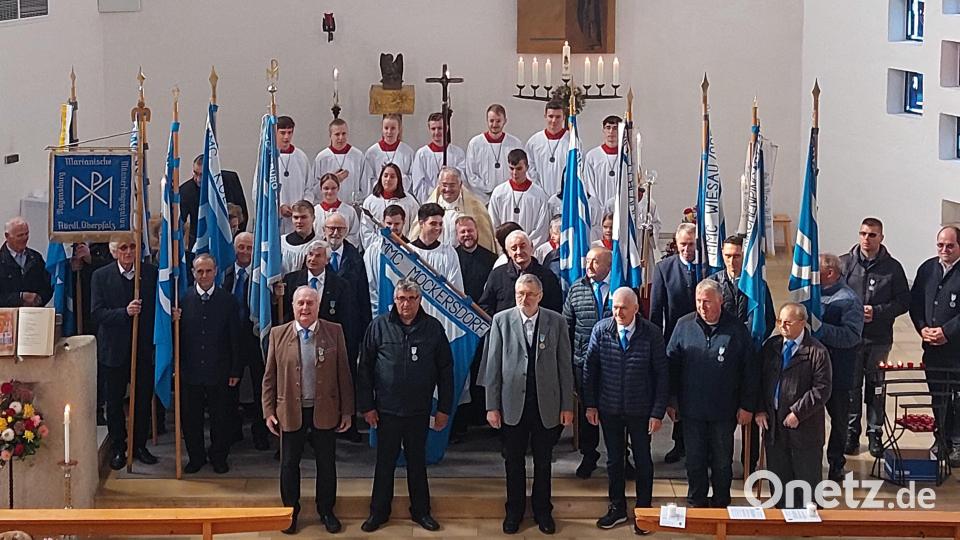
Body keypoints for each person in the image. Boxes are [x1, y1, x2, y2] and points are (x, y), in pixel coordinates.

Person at [357, 279, 453, 532]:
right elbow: (364, 368)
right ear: (394, 300)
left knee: (417, 463)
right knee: (385, 462)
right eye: (401, 298)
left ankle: (421, 512)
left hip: (419, 410)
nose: (406, 304)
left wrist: (444, 408)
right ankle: (378, 513)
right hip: (386, 410)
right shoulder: (379, 326)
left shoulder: (432, 328)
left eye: (411, 299)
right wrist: (367, 406)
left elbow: (445, 370)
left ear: (419, 300)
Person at [484, 274, 574, 535]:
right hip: (512, 404)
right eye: (520, 294)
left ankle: (543, 511)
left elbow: (564, 366)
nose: (525, 299)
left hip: (546, 404)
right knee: (513, 461)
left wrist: (567, 405)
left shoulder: (556, 321)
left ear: (540, 296)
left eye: (530, 294)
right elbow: (493, 366)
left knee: (544, 462)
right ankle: (514, 511)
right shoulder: (501, 321)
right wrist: (492, 405)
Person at [262, 285, 354, 535]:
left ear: (318, 305)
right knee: (289, 464)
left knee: (326, 463)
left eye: (310, 303)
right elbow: (269, 376)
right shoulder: (278, 334)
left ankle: (326, 510)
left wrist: (347, 411)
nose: (305, 308)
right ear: (292, 306)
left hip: (325, 409)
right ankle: (290, 512)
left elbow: (344, 373)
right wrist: (268, 410)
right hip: (290, 410)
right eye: (300, 303)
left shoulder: (334, 331)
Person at [583, 287, 668, 535]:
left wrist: (657, 412)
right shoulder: (601, 330)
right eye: (615, 307)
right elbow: (590, 370)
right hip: (609, 409)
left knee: (643, 461)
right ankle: (617, 508)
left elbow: (662, 374)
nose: (618, 312)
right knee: (614, 461)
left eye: (623, 308)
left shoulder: (651, 333)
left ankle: (644, 511)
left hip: (641, 411)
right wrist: (590, 404)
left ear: (635, 309)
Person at [667, 280, 757, 508]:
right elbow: (671, 367)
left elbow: (749, 371)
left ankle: (720, 504)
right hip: (691, 410)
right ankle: (696, 503)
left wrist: (747, 405)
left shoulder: (737, 329)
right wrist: (671, 401)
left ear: (720, 301)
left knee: (721, 462)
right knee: (694, 461)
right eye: (698, 301)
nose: (702, 306)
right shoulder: (683, 325)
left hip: (723, 411)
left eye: (707, 301)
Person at [840, 217, 909, 458]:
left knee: (876, 387)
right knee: (851, 387)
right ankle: (851, 432)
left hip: (878, 339)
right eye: (863, 234)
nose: (866, 239)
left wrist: (877, 312)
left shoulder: (893, 268)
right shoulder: (845, 264)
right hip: (851, 338)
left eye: (872, 235)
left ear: (881, 238)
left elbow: (903, 302)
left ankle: (875, 433)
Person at [707, 235, 774, 474]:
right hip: (719, 362)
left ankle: (750, 463)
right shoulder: (713, 284)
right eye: (728, 256)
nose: (732, 261)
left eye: (737, 256)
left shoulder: (757, 285)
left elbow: (768, 319)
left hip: (748, 359)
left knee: (750, 411)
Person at [756, 303, 832, 509]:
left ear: (802, 323)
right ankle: (781, 514)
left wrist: (798, 412)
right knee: (779, 476)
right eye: (780, 322)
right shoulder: (771, 347)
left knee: (805, 478)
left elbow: (821, 389)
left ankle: (806, 520)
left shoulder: (816, 351)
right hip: (775, 426)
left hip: (804, 429)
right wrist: (761, 408)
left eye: (788, 322)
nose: (783, 326)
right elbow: (760, 381)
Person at [90, 238, 158, 469]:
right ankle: (119, 447)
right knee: (115, 401)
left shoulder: (151, 274)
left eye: (133, 247)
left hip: (142, 349)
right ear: (114, 251)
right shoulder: (101, 276)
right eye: (123, 248)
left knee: (141, 400)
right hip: (113, 350)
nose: (129, 252)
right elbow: (97, 313)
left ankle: (139, 445)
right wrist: (124, 313)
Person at [174, 254, 242, 474]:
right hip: (190, 371)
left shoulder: (228, 300)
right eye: (199, 271)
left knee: (220, 418)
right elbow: (177, 341)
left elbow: (235, 338)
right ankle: (196, 457)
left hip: (219, 371)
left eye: (208, 271)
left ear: (216, 271)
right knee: (191, 419)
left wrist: (235, 369)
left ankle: (219, 456)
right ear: (193, 273)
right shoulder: (182, 301)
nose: (204, 275)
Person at [910, 225, 960, 465]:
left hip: (957, 351)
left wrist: (947, 332)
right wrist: (923, 329)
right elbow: (916, 303)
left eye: (950, 246)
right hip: (932, 350)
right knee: (938, 397)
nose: (944, 250)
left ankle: (958, 442)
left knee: (958, 398)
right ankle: (941, 439)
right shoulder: (928, 269)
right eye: (940, 245)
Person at [650, 223, 699, 463]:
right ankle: (678, 444)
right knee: (677, 394)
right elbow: (656, 308)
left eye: (691, 244)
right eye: (683, 244)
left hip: (703, 342)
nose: (687, 249)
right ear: (676, 245)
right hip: (675, 341)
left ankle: (696, 445)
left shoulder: (708, 267)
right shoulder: (664, 269)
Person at [562, 246, 612, 479]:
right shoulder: (577, 288)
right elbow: (567, 327)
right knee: (587, 411)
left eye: (595, 262)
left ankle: (620, 456)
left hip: (615, 362)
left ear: (608, 266)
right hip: (584, 361)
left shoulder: (620, 285)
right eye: (588, 261)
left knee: (615, 413)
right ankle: (589, 455)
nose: (589, 266)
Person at [817, 253, 864, 481]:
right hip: (813, 371)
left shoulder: (849, 299)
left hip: (838, 371)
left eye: (816, 271)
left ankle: (836, 463)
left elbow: (851, 336)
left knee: (839, 420)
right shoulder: (810, 295)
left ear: (830, 273)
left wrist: (820, 329)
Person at [223, 232, 269, 451]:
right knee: (230, 387)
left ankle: (260, 432)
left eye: (249, 248)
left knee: (262, 385)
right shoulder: (225, 274)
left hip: (255, 337)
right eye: (241, 247)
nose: (245, 252)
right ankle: (232, 430)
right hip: (230, 340)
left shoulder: (263, 277)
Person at [454, 215, 497, 432]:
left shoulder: (490, 259)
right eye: (462, 232)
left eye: (470, 231)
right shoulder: (452, 257)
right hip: (459, 324)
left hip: (484, 322)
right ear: (456, 235)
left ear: (477, 232)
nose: (467, 235)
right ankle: (461, 420)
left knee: (482, 368)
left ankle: (481, 416)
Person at [408, 167, 497, 252]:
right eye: (444, 185)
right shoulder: (428, 209)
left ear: (460, 185)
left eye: (452, 185)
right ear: (439, 185)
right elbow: (417, 239)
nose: (448, 189)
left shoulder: (476, 209)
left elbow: (485, 241)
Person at [479, 230, 562, 315]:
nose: (519, 252)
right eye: (514, 248)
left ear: (531, 247)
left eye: (523, 246)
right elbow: (485, 306)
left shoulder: (547, 276)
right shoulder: (497, 275)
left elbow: (555, 308)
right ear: (508, 252)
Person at [322, 213, 371, 348]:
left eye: (340, 229)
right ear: (324, 229)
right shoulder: (314, 254)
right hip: (322, 323)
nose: (335, 233)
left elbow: (363, 296)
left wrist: (364, 330)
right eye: (331, 228)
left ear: (347, 231)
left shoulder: (356, 258)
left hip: (349, 325)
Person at [180, 155, 248, 248]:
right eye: (195, 173)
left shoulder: (230, 180)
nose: (198, 179)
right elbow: (179, 223)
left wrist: (235, 240)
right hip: (201, 242)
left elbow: (243, 213)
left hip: (230, 240)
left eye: (202, 175)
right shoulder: (186, 190)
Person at [488, 149, 551, 247]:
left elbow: (541, 228)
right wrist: (505, 246)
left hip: (530, 250)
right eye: (511, 168)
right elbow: (493, 222)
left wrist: (525, 246)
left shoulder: (538, 195)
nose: (514, 173)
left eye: (519, 168)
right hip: (504, 248)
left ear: (527, 168)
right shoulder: (499, 192)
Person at [465, 104, 524, 203]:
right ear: (487, 121)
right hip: (482, 198)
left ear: (505, 121)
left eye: (498, 121)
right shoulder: (475, 143)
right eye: (491, 121)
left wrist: (505, 190)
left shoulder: (514, 143)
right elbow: (471, 174)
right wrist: (487, 189)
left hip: (508, 197)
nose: (494, 124)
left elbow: (520, 170)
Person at [410, 112, 467, 202]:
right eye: (433, 129)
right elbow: (418, 184)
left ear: (447, 128)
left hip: (453, 202)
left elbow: (462, 180)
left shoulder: (457, 153)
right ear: (429, 129)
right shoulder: (422, 154)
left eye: (440, 128)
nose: (437, 132)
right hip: (429, 202)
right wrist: (432, 198)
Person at [360, 163, 420, 248]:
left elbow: (415, 228)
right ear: (380, 178)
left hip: (404, 249)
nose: (388, 179)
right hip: (378, 248)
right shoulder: (370, 202)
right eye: (385, 176)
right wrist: (379, 247)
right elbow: (366, 231)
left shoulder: (409, 202)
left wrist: (407, 247)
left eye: (392, 176)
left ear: (398, 179)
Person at [364, 205, 409, 314]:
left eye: (397, 224)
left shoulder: (410, 251)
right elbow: (370, 283)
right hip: (379, 309)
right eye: (389, 224)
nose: (393, 227)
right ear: (383, 222)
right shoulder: (373, 250)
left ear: (404, 223)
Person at [276, 116, 316, 235]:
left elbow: (310, 188)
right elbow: (259, 190)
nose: (286, 137)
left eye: (290, 132)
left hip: (298, 218)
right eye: (282, 133)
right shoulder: (268, 159)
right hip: (276, 218)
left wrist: (301, 207)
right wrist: (279, 206)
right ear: (275, 132)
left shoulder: (301, 157)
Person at [0, 217, 52, 307]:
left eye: (26, 234)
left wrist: (39, 299)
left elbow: (48, 285)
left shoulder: (36, 258)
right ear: (7, 236)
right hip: (6, 317)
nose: (25, 238)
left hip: (33, 314)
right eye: (20, 235)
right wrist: (20, 297)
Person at [314, 118, 368, 203]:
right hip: (328, 207)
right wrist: (334, 180)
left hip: (352, 206)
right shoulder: (322, 157)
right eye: (337, 134)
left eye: (344, 134)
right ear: (330, 135)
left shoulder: (358, 156)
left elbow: (365, 186)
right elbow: (315, 189)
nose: (341, 138)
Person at [524, 101, 569, 196]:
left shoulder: (572, 142)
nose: (554, 120)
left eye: (558, 117)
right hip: (538, 195)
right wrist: (539, 192)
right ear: (545, 116)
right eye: (551, 116)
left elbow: (577, 171)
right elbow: (530, 169)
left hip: (564, 196)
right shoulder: (534, 142)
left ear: (564, 117)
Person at [364, 113, 415, 191]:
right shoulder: (372, 153)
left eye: (393, 128)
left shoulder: (407, 152)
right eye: (386, 128)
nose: (389, 132)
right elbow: (369, 178)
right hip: (379, 195)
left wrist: (398, 186)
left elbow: (412, 176)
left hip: (401, 195)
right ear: (382, 129)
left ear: (399, 130)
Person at [313, 173, 361, 248]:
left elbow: (354, 235)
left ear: (338, 188)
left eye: (333, 188)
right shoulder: (315, 212)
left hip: (344, 254)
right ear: (321, 189)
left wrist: (340, 247)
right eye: (326, 188)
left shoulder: (349, 211)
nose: (330, 191)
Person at [583, 116, 622, 204]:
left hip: (621, 207)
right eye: (608, 128)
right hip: (598, 208)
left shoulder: (626, 157)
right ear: (603, 130)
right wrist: (597, 207)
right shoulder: (592, 156)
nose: (611, 131)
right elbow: (589, 185)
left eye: (615, 128)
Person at [280, 200, 318, 274]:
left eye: (303, 217)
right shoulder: (281, 243)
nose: (299, 221)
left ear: (313, 218)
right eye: (296, 217)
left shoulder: (320, 243)